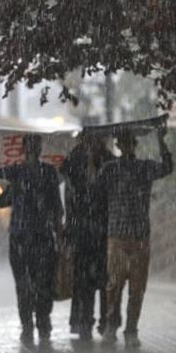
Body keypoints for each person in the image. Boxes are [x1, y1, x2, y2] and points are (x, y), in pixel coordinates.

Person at [0, 134, 63, 345]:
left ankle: (42, 323)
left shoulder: (48, 173)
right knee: (24, 284)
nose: (33, 149)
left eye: (35, 145)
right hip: (21, 238)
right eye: (31, 145)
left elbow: (56, 207)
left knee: (42, 283)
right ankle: (28, 324)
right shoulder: (17, 172)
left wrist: (59, 233)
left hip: (42, 237)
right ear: (26, 149)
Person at [98, 126, 173, 347]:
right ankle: (112, 325)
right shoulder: (109, 169)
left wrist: (161, 142)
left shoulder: (144, 168)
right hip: (117, 235)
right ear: (119, 146)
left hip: (139, 235)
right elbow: (94, 189)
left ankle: (131, 329)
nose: (126, 146)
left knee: (137, 287)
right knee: (114, 284)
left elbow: (167, 167)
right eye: (122, 142)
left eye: (129, 142)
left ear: (133, 145)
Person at [61, 133, 115, 341]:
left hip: (102, 229)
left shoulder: (108, 160)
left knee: (103, 279)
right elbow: (69, 189)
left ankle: (105, 321)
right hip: (82, 230)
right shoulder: (75, 160)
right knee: (83, 279)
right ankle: (84, 321)